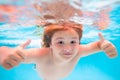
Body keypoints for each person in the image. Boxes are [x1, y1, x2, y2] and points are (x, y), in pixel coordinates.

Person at [0, 21, 118, 80]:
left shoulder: (79, 50)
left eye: (73, 42)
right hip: (43, 64)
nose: (68, 49)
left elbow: (98, 44)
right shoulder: (41, 55)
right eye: (60, 42)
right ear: (50, 44)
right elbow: (19, 54)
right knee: (39, 39)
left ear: (79, 42)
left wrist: (105, 45)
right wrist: (6, 53)